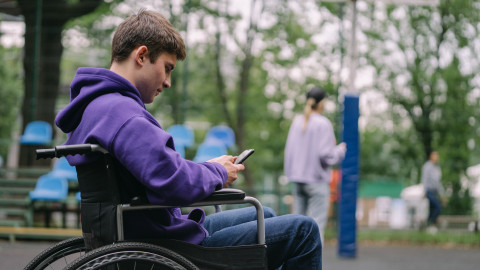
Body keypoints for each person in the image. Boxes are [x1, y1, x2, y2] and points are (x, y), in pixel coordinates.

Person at [55, 10, 322, 269]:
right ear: (142, 55)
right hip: (165, 246)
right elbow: (172, 181)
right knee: (304, 231)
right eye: (167, 68)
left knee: (266, 216)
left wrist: (208, 167)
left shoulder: (100, 106)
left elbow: (159, 170)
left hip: (145, 232)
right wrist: (217, 172)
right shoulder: (123, 114)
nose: (168, 82)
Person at [284, 86, 346, 243]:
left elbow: (289, 152)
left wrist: (291, 174)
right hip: (316, 182)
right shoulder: (323, 123)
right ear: (322, 103)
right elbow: (326, 155)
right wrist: (339, 150)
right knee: (316, 228)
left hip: (297, 180)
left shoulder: (297, 122)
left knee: (297, 228)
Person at [421, 151, 444, 229]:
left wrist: (441, 194)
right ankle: (431, 223)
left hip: (434, 192)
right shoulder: (427, 166)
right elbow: (424, 179)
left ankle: (426, 226)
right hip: (429, 191)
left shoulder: (437, 168)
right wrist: (424, 190)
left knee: (432, 210)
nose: (437, 157)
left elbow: (438, 183)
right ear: (431, 156)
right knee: (438, 207)